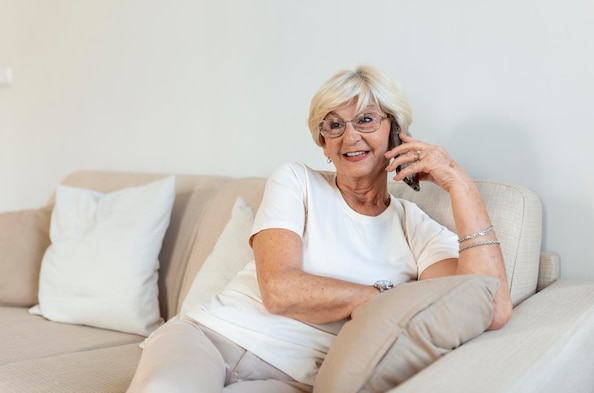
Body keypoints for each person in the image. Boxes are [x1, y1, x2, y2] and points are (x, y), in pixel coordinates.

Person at [126, 65, 512, 393]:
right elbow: (280, 291)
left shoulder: (418, 229)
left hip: (294, 375)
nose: (350, 136)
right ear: (323, 144)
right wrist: (386, 295)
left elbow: (491, 307)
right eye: (334, 125)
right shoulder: (296, 181)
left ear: (396, 132)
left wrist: (459, 183)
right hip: (209, 337)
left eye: (366, 119)